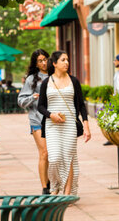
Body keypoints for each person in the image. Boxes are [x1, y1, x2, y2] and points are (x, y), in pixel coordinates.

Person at [37, 51, 90, 195]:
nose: (66, 62)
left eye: (67, 60)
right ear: (54, 63)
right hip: (52, 125)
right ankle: (54, 188)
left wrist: (86, 125)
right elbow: (40, 106)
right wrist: (51, 115)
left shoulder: (74, 81)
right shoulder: (46, 83)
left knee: (68, 157)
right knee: (54, 158)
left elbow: (81, 105)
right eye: (63, 60)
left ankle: (67, 192)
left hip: (69, 125)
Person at [18, 49, 50, 194]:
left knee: (55, 154)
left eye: (45, 59)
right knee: (44, 153)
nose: (44, 63)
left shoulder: (56, 76)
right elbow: (21, 101)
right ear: (36, 64)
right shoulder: (32, 79)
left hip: (54, 119)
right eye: (40, 61)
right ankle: (45, 187)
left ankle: (53, 182)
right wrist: (33, 97)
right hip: (37, 119)